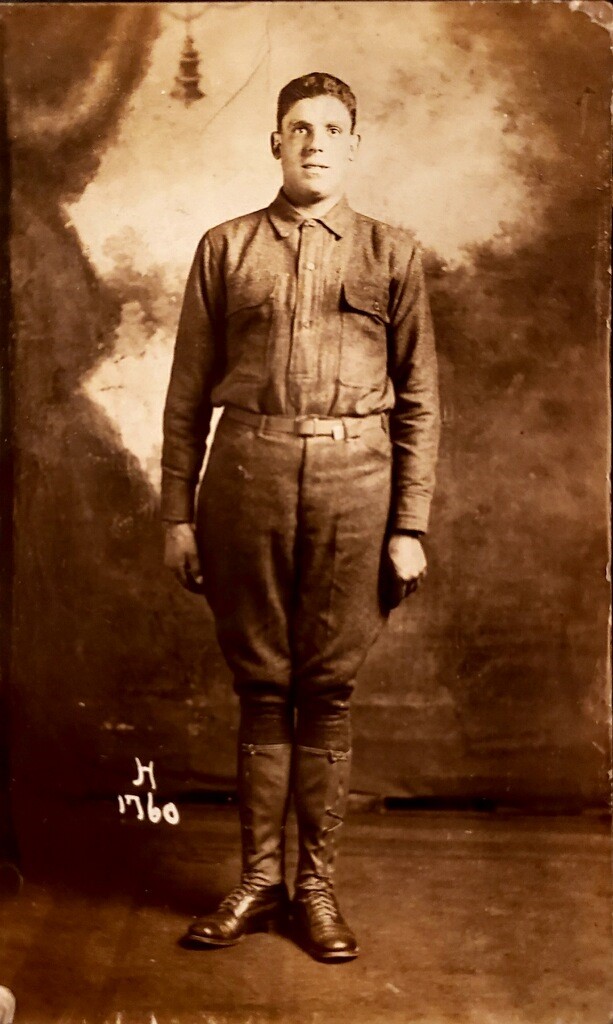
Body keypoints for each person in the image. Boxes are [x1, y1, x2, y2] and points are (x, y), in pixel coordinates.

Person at [162, 72, 440, 962]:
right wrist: (177, 513)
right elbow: (183, 400)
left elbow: (421, 402)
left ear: (353, 144)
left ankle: (313, 889)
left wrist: (409, 524)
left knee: (326, 690)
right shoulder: (225, 249)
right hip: (245, 474)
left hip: (357, 485)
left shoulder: (392, 254)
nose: (314, 141)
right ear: (273, 144)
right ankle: (256, 880)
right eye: (296, 127)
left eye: (331, 128)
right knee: (261, 687)